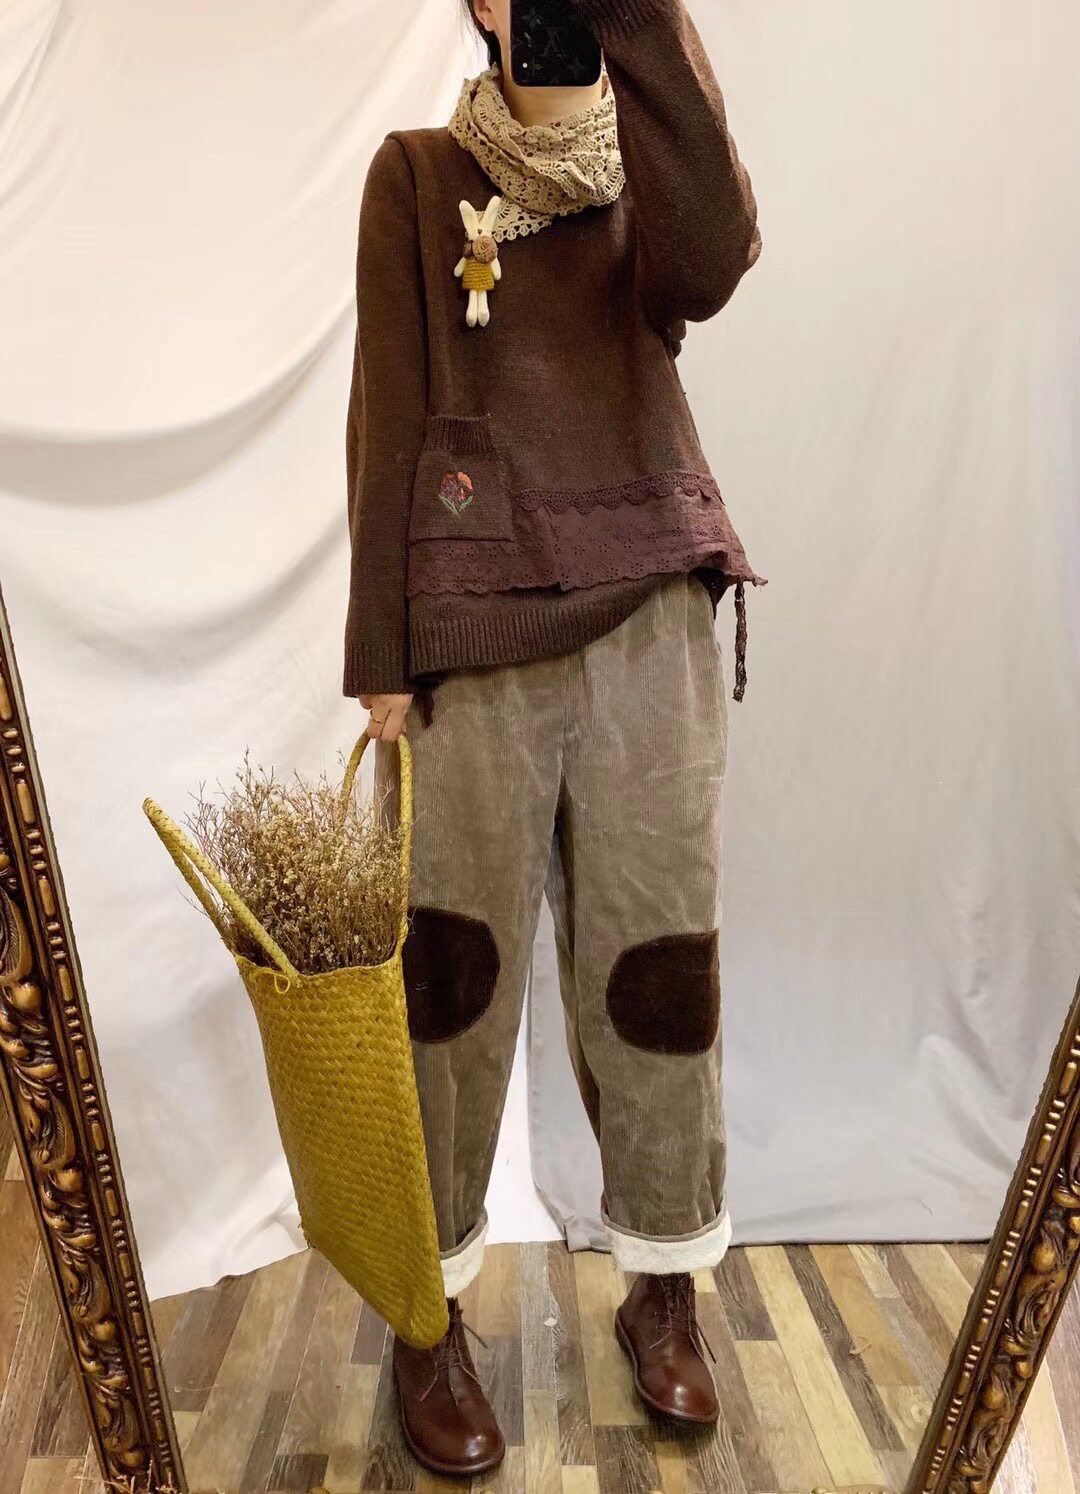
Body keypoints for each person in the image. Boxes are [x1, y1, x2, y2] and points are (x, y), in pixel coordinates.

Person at [343, 0, 763, 1475]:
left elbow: (717, 260)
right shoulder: (414, 176)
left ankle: (664, 1281)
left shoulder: (652, 163)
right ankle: (429, 1312)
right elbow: (386, 414)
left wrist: (640, 17)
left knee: (658, 966)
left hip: (650, 606)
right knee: (447, 984)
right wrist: (382, 658)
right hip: (474, 623)